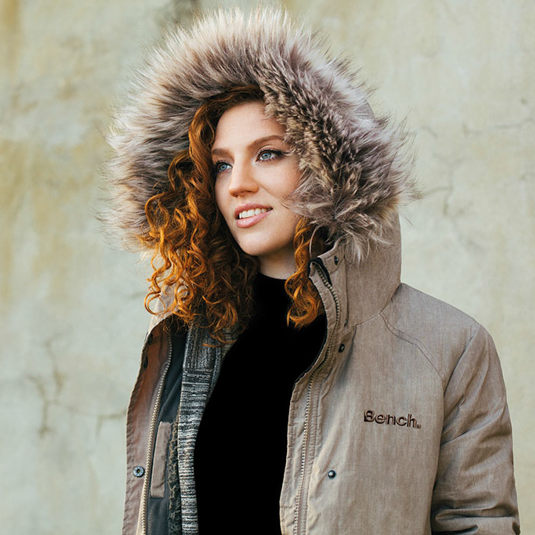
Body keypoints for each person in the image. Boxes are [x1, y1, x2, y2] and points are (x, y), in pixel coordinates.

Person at [105, 7, 520, 535]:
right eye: (222, 163)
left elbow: (479, 522)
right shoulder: (185, 332)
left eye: (268, 154)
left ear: (330, 168)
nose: (237, 184)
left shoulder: (450, 347)